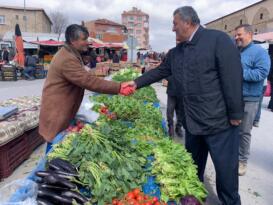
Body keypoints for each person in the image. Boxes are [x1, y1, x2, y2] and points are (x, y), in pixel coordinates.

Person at [124, 6, 244, 205]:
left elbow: (232, 77)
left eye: (174, 23)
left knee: (226, 176)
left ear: (188, 22)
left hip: (219, 123)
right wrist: (136, 82)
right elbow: (161, 71)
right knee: (191, 172)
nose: (173, 29)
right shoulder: (176, 52)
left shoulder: (217, 40)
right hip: (192, 122)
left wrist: (235, 112)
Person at [39, 24, 133, 143]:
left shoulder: (70, 53)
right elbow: (88, 81)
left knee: (60, 144)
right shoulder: (66, 59)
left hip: (63, 109)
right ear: (73, 40)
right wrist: (118, 87)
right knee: (56, 148)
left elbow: (86, 77)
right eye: (84, 39)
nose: (87, 42)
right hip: (56, 112)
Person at [234, 24, 270, 176]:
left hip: (249, 99)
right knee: (231, 129)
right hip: (234, 97)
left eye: (239, 34)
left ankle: (242, 161)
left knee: (244, 132)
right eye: (235, 35)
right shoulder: (236, 51)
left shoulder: (260, 52)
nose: (236, 37)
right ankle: (232, 156)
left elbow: (261, 73)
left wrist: (239, 73)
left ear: (249, 34)